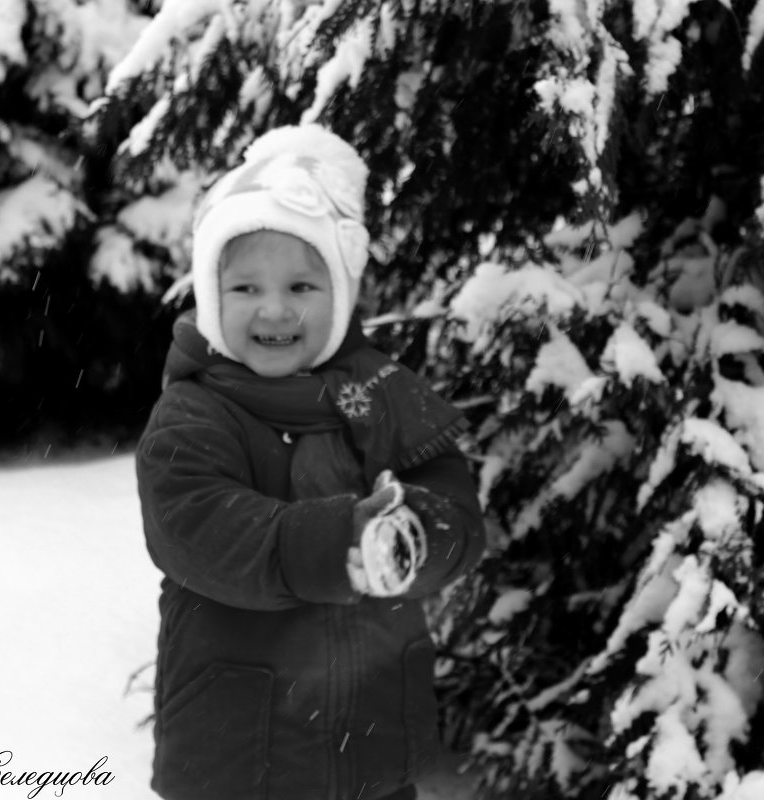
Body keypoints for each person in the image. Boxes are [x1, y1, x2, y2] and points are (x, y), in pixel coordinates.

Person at [136, 123, 486, 800]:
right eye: (244, 289)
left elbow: (456, 511)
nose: (274, 308)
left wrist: (413, 540)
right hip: (237, 755)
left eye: (301, 286)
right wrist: (334, 545)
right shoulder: (195, 414)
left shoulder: (381, 394)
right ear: (211, 296)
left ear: (341, 296)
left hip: (374, 747)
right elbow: (201, 529)